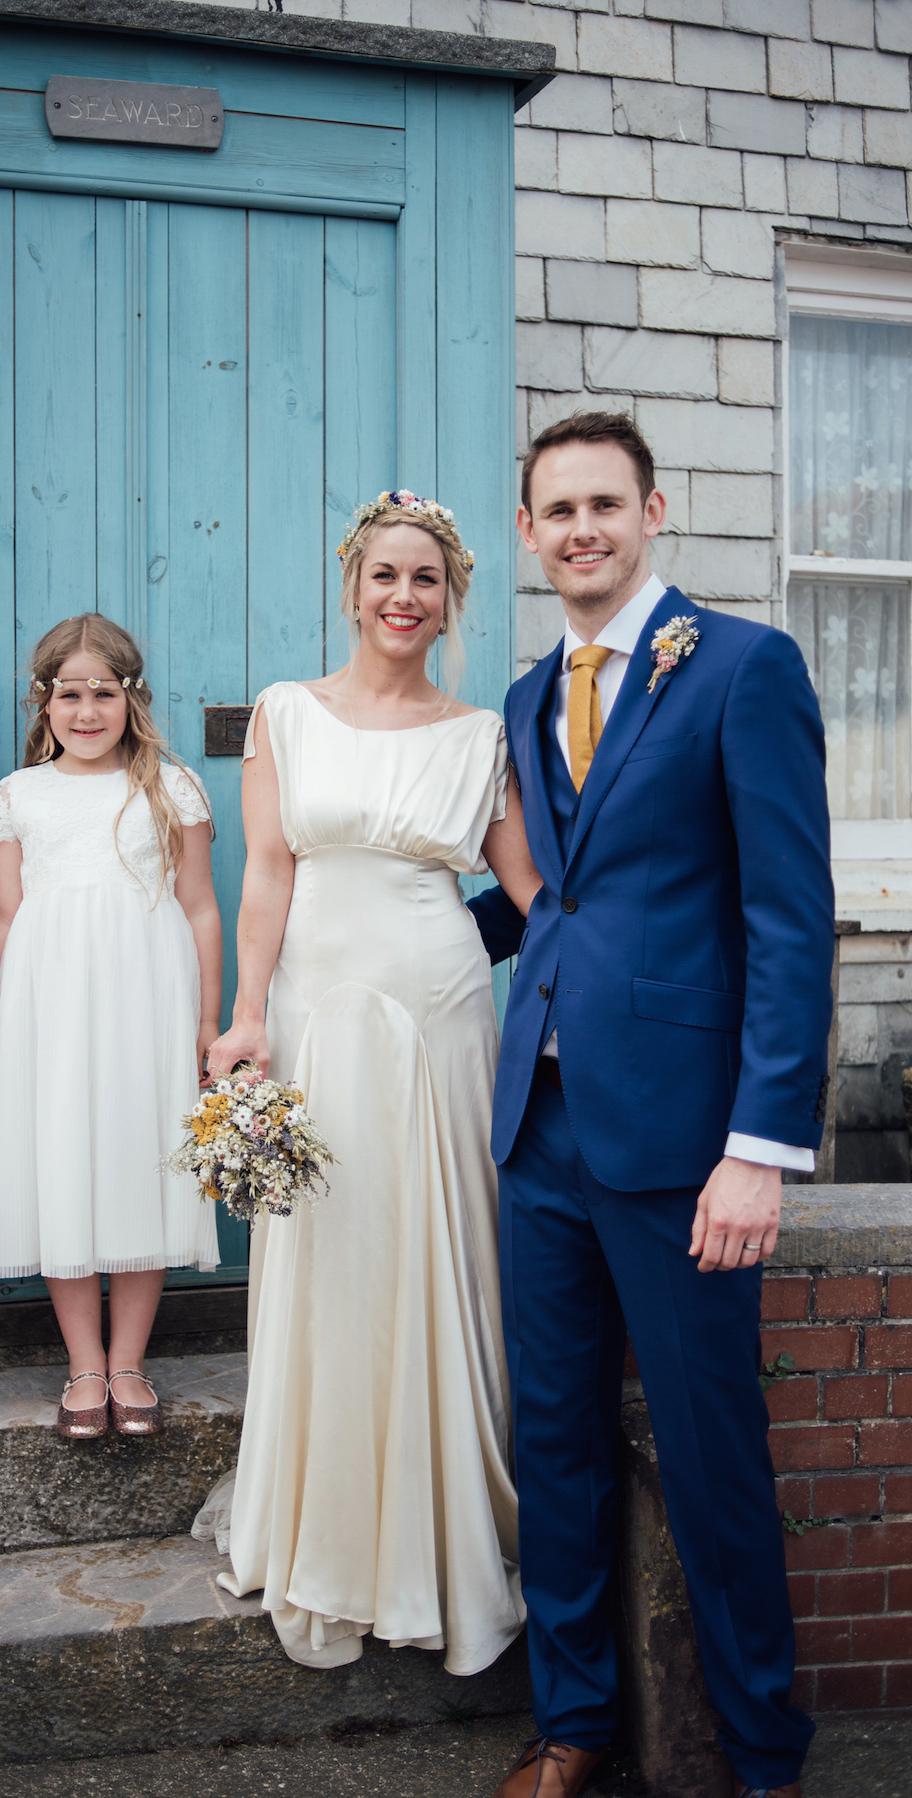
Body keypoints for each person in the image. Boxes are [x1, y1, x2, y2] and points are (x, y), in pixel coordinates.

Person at [470, 413, 834, 1798]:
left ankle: (762, 1757)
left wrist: (759, 1148)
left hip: (686, 1144)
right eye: (555, 508)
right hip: (540, 1128)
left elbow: (793, 921)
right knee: (551, 1443)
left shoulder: (743, 666)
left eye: (604, 504)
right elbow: (552, 901)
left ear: (653, 509)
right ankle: (574, 1727)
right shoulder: (519, 698)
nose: (580, 529)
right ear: (528, 531)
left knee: (710, 1455)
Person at [203, 491, 540, 1674]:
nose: (405, 597)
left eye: (428, 580)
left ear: (452, 604)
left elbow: (532, 894)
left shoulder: (480, 734)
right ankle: (328, 1527)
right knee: (333, 1248)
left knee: (434, 1243)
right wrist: (248, 1017)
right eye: (386, 576)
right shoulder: (287, 714)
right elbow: (265, 878)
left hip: (440, 1004)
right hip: (314, 1006)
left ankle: (438, 1535)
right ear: (353, 590)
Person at [0, 614, 222, 1439]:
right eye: (69, 694)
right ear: (43, 703)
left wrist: (207, 1020)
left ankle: (129, 1360)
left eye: (104, 694)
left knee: (139, 1158)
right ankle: (84, 1360)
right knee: (65, 1163)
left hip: (146, 1001)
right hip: (50, 1005)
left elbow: (200, 909)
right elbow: (4, 915)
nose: (87, 712)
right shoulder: (18, 797)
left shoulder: (171, 787)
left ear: (132, 699)